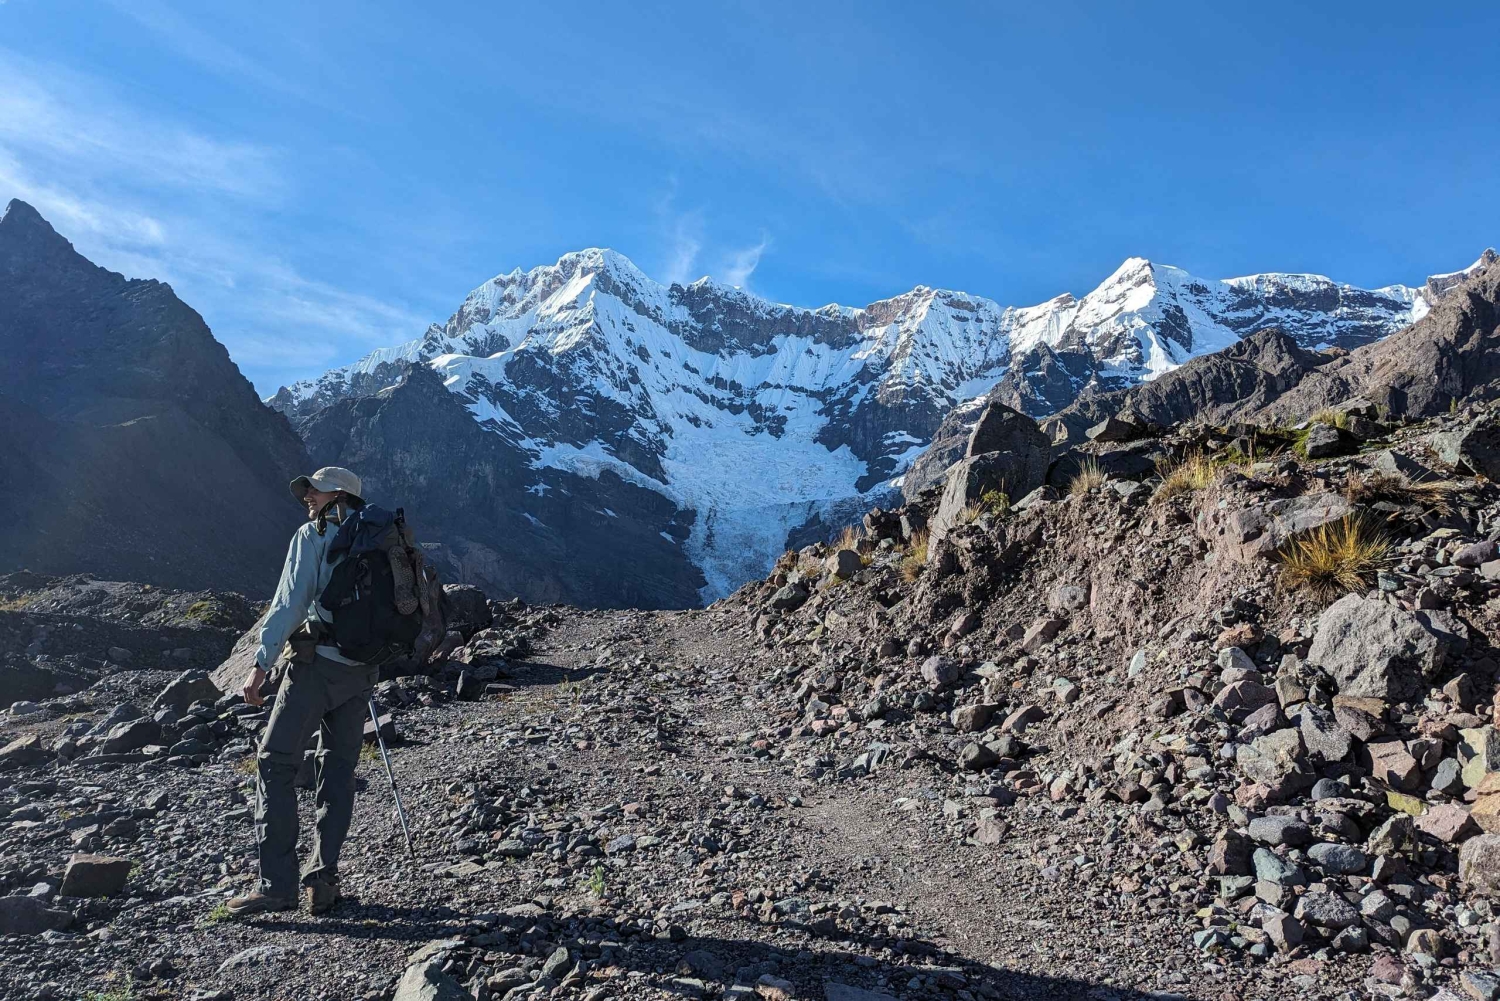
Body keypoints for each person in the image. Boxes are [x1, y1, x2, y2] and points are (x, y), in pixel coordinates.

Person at [226, 466, 379, 916]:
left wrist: (260, 665)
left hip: (317, 668)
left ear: (337, 495)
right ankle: (324, 881)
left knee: (274, 763)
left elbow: (290, 603)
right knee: (337, 769)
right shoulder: (378, 536)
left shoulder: (311, 536)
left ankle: (276, 884)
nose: (307, 496)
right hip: (363, 669)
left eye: (315, 490)